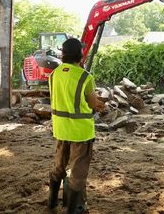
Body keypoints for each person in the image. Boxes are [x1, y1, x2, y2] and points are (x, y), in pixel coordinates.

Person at [48, 38, 105, 214]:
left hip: (60, 129)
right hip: (81, 132)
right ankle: (72, 210)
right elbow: (92, 103)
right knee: (78, 173)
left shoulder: (54, 74)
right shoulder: (85, 76)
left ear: (62, 54)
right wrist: (101, 105)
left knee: (59, 166)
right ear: (80, 55)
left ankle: (51, 204)